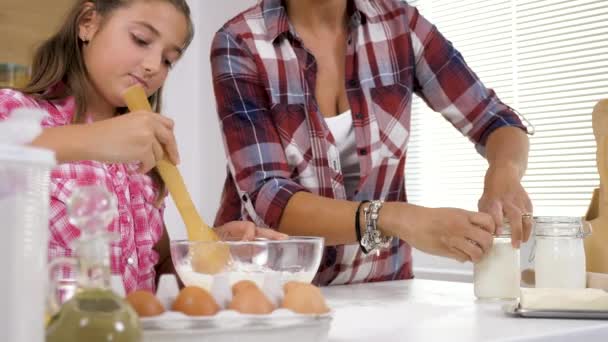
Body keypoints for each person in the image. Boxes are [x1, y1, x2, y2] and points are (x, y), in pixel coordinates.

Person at [211, 0, 532, 286]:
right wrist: (397, 218)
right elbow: (268, 196)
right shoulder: (241, 42)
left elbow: (496, 120)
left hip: (382, 291)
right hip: (272, 293)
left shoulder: (400, 25)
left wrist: (503, 172)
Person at [0, 0, 285, 294]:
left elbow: (156, 270)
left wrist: (208, 247)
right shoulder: (13, 111)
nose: (152, 66)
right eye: (141, 39)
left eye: (167, 60)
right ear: (88, 22)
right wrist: (95, 139)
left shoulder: (141, 155)